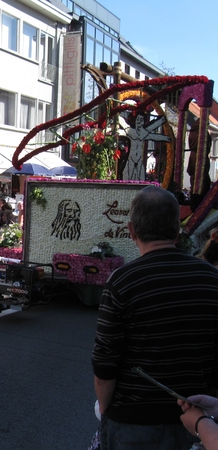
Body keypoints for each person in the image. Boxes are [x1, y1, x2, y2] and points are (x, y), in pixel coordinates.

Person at [92, 186, 218, 449]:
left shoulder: (122, 281)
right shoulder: (211, 278)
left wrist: (105, 408)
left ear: (132, 231)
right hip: (198, 419)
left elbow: (105, 362)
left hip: (132, 422)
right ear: (176, 229)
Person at [187, 119, 213, 212]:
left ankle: (196, 195)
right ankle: (199, 198)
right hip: (200, 157)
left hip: (193, 157)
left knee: (194, 178)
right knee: (203, 179)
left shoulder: (192, 132)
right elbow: (207, 145)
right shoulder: (202, 133)